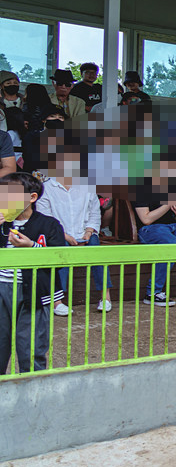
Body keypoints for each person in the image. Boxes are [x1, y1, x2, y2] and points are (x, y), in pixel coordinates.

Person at [0, 171, 65, 373]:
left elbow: (58, 260)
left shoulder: (49, 225)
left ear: (32, 197)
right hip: (2, 291)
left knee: (30, 346)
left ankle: (33, 391)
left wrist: (30, 247)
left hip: (34, 293)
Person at [36, 148, 113, 315]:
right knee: (60, 250)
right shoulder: (46, 188)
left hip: (84, 232)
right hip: (59, 234)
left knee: (97, 251)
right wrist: (66, 236)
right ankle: (57, 301)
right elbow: (46, 219)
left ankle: (105, 297)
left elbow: (94, 212)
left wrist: (89, 231)